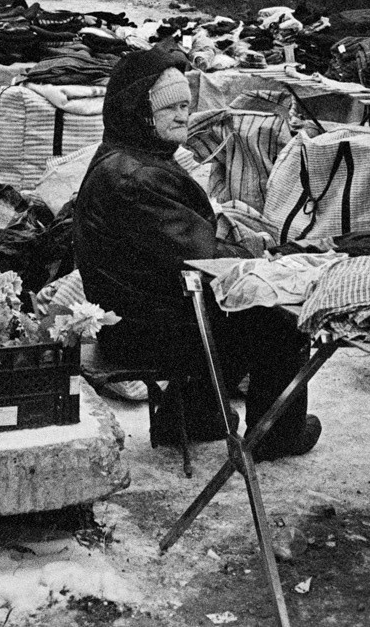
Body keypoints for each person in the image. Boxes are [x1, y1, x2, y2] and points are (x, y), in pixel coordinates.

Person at [76, 49, 322, 459]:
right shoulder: (134, 176)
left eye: (185, 106)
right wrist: (271, 260)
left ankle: (191, 418)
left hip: (138, 315)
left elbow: (183, 244)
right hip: (144, 331)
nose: (182, 117)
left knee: (228, 303)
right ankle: (276, 436)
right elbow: (204, 258)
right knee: (278, 317)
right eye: (169, 107)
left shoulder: (127, 157)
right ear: (140, 112)